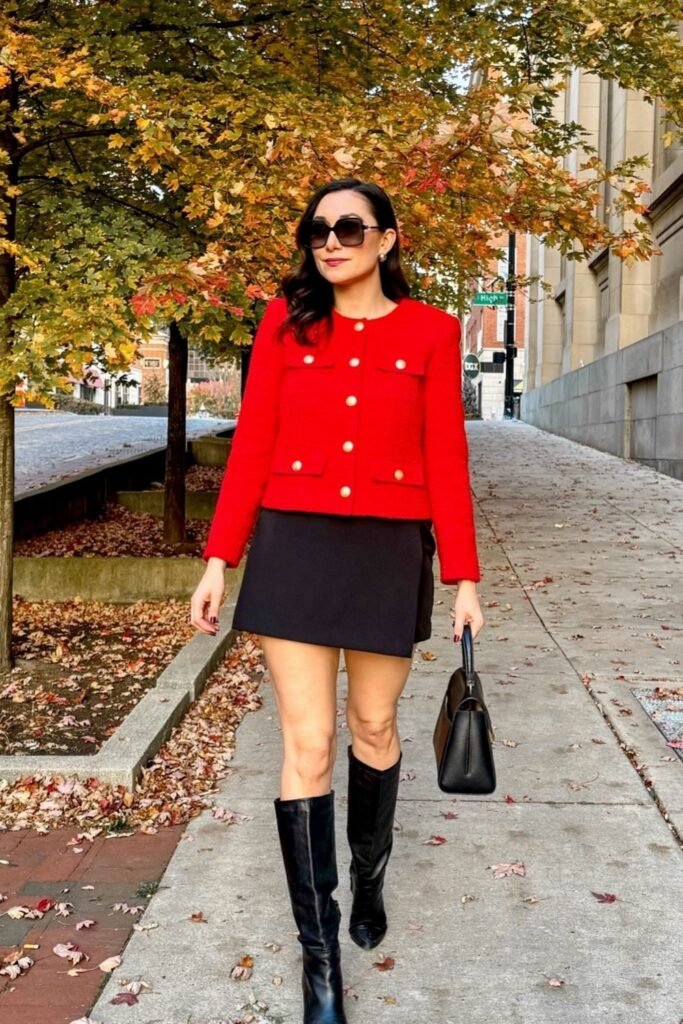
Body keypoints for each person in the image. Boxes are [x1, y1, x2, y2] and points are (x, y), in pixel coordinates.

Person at [190, 177, 484, 1024]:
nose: (331, 240)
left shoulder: (430, 330)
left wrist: (464, 576)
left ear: (386, 240)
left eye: (350, 227)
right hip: (294, 549)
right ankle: (320, 961)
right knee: (307, 744)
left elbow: (446, 456)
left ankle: (367, 875)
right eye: (317, 227)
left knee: (373, 730)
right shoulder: (286, 323)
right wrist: (219, 558)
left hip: (387, 550)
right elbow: (252, 443)